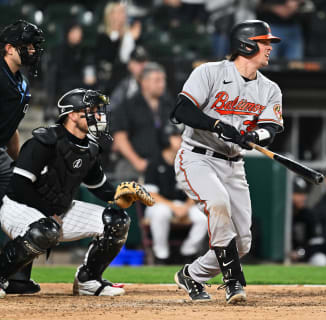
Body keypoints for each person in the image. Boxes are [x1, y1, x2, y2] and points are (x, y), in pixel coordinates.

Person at [0, 88, 153, 298]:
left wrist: (121, 194)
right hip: (19, 208)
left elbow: (100, 188)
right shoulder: (44, 141)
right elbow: (18, 186)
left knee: (117, 221)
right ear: (72, 115)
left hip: (57, 213)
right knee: (45, 229)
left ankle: (88, 280)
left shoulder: (90, 148)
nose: (98, 115)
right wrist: (47, 212)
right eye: (91, 110)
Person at [171, 20, 283, 303]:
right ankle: (233, 279)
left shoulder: (270, 88)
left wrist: (254, 135)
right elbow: (182, 110)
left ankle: (192, 274)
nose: (269, 47)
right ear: (246, 45)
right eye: (264, 42)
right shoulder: (209, 72)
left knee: (242, 241)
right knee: (217, 203)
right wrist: (217, 125)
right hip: (197, 157)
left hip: (233, 164)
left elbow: (272, 128)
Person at [0, 19, 45, 295]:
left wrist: (20, 163)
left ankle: (16, 276)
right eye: (25, 46)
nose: (31, 50)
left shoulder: (21, 83)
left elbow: (11, 128)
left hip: (2, 153)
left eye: (33, 46)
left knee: (25, 205)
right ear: (8, 49)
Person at [143, 124, 208, 264]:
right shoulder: (154, 163)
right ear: (165, 139)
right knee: (161, 213)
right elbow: (151, 194)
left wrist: (185, 206)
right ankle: (161, 255)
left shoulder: (188, 161)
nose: (180, 139)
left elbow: (197, 190)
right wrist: (174, 207)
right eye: (175, 136)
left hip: (185, 204)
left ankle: (188, 252)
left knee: (204, 216)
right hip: (159, 204)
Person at [111, 62, 174, 182]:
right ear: (144, 82)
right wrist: (138, 162)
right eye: (157, 80)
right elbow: (120, 138)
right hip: (132, 164)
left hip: (161, 164)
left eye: (163, 80)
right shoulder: (127, 106)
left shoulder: (168, 105)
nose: (162, 84)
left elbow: (175, 137)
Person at [289, 176, 317, 263]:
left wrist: (302, 252)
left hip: (305, 256)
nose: (303, 197)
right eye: (298, 194)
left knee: (319, 259)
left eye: (304, 193)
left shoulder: (308, 215)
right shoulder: (281, 214)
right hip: (283, 256)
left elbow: (314, 240)